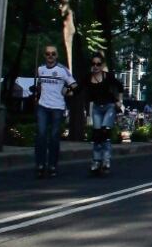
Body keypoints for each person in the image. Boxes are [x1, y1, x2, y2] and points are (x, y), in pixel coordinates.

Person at [32, 45, 78, 178]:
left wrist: (66, 91)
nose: (50, 56)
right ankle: (40, 164)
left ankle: (52, 165)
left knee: (53, 137)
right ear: (44, 56)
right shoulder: (40, 69)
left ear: (57, 55)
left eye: (53, 54)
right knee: (41, 135)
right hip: (43, 107)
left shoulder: (63, 70)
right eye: (48, 54)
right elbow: (40, 85)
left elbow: (75, 86)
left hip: (58, 107)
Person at [84, 53, 122, 176]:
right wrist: (67, 91)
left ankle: (106, 160)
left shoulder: (108, 76)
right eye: (93, 64)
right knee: (97, 135)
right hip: (96, 108)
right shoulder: (88, 78)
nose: (95, 66)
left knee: (105, 132)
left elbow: (120, 86)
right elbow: (77, 88)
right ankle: (96, 160)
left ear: (102, 65)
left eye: (98, 64)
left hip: (109, 107)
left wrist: (120, 101)